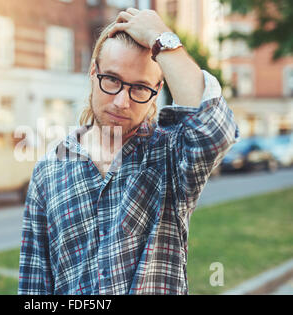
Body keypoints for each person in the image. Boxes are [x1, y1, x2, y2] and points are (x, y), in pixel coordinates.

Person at [18, 8, 239, 295]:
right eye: (112, 79)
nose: (122, 101)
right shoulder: (49, 169)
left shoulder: (170, 154)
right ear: (93, 71)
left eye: (139, 88)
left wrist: (161, 37)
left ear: (157, 91)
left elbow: (214, 131)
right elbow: (35, 286)